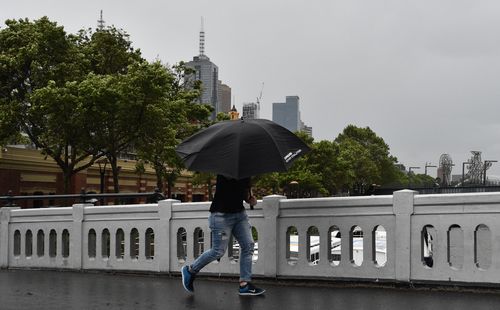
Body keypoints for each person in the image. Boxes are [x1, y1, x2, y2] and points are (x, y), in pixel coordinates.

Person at [181, 174, 265, 296]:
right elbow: (229, 191)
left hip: (240, 215)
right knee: (218, 251)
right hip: (221, 216)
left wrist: (250, 199)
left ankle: (244, 284)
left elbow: (245, 196)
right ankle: (190, 270)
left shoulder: (245, 173)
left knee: (249, 245)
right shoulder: (227, 171)